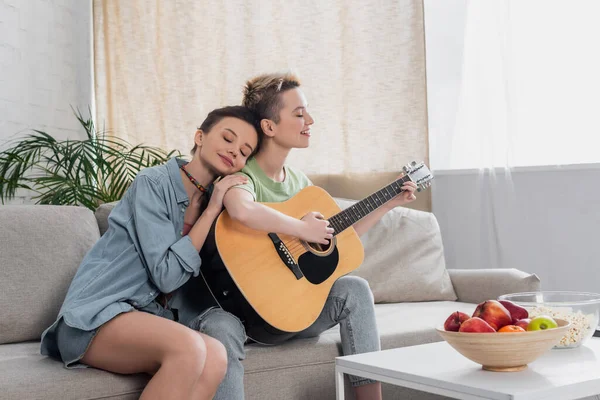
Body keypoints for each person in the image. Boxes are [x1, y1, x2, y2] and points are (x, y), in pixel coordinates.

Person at [181, 73, 418, 400]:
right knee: (221, 328)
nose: (310, 120)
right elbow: (241, 210)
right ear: (269, 127)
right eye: (299, 113)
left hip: (288, 314)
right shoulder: (241, 172)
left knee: (355, 290)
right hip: (238, 311)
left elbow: (338, 239)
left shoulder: (300, 184)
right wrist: (301, 228)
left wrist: (389, 203)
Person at [40, 106, 263, 400]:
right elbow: (167, 276)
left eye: (244, 151)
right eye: (228, 138)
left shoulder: (221, 206)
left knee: (216, 356)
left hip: (147, 318)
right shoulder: (153, 183)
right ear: (200, 137)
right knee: (191, 347)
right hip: (95, 316)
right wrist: (211, 211)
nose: (234, 151)